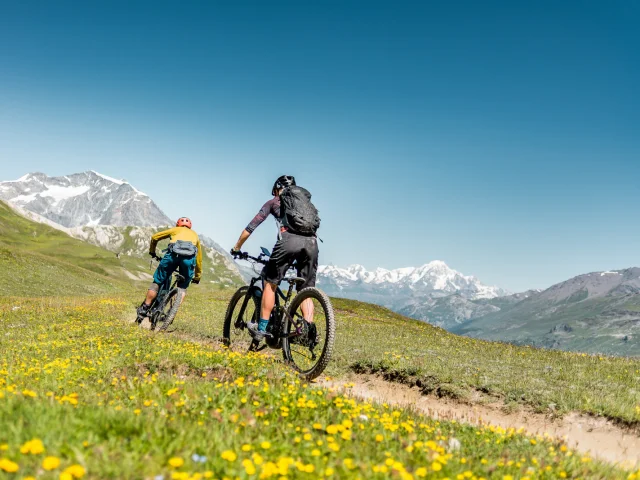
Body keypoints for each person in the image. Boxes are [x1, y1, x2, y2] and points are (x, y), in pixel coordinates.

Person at [231, 175, 319, 341]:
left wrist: (237, 247)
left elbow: (251, 227)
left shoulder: (274, 202)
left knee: (270, 283)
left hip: (288, 242)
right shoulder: (305, 205)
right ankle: (306, 332)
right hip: (312, 244)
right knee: (305, 290)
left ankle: (261, 328)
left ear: (277, 189)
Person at [136, 217, 203, 322]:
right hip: (188, 261)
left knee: (157, 282)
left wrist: (152, 251)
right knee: (182, 288)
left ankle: (145, 308)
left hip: (172, 257)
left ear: (178, 225)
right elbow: (199, 258)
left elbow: (154, 237)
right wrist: (197, 276)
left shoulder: (176, 230)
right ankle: (170, 314)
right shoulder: (194, 235)